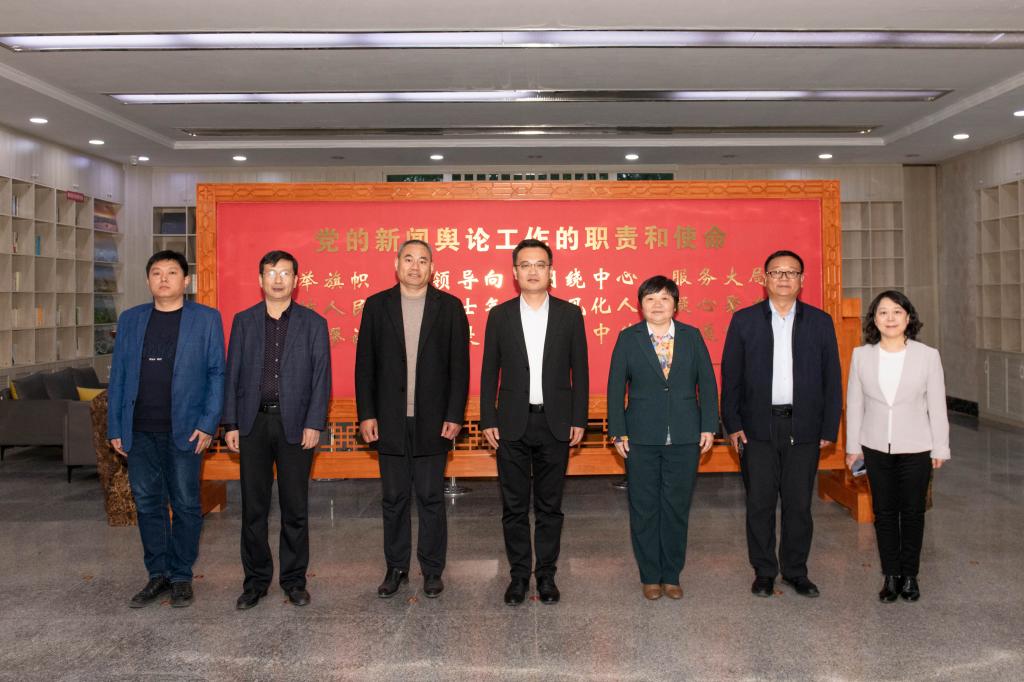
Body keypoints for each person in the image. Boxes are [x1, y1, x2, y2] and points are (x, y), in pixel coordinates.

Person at [721, 249, 842, 598]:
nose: (784, 278)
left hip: (804, 427)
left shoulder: (820, 322)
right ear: (765, 279)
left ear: (802, 280)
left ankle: (795, 571)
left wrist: (828, 428)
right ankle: (764, 571)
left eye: (791, 272)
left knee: (798, 504)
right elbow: (731, 377)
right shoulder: (744, 321)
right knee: (759, 503)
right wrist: (733, 424)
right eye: (777, 272)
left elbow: (832, 379)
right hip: (756, 428)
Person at [108, 250, 225, 608]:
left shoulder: (206, 319)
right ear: (148, 280)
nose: (163, 279)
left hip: (186, 430)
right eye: (156, 272)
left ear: (185, 281)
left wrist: (208, 423)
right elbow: (119, 376)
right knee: (147, 504)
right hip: (139, 429)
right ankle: (157, 573)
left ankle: (181, 575)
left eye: (172, 273)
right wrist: (116, 426)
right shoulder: (131, 319)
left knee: (187, 504)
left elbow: (217, 373)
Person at [356, 239, 469, 599]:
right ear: (397, 264)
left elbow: (459, 367)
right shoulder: (377, 306)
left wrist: (454, 414)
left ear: (432, 268)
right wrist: (366, 414)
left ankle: (432, 570)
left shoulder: (449, 307)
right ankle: (396, 568)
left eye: (422, 261)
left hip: (433, 421)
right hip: (389, 419)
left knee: (431, 497)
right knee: (393, 498)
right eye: (408, 259)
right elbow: (365, 366)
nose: (415, 267)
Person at [480, 238, 589, 605]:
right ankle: (517, 576)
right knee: (513, 506)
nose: (532, 271)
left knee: (549, 506)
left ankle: (546, 575)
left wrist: (579, 418)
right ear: (514, 272)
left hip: (555, 422)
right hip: (511, 422)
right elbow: (489, 371)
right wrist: (487, 416)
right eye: (525, 265)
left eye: (540, 265)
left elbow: (580, 371)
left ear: (550, 272)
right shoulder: (500, 315)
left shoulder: (569, 314)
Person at [222, 250, 331, 610]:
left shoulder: (313, 323)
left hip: (296, 425)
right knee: (253, 508)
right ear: (260, 280)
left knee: (294, 508)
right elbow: (233, 373)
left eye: (285, 273)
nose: (278, 279)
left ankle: (294, 581)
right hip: (253, 423)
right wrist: (231, 423)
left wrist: (315, 422)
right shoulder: (244, 321)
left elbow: (321, 378)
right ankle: (255, 582)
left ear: (296, 281)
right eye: (271, 273)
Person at [607, 275, 719, 601]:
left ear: (676, 305)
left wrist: (708, 426)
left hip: (685, 436)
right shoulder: (628, 338)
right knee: (644, 508)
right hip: (640, 436)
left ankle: (671, 575)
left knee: (676, 508)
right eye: (650, 299)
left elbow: (707, 384)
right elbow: (616, 387)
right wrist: (618, 431)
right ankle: (650, 576)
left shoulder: (692, 336)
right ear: (640, 305)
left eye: (665, 298)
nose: (658, 305)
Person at [845, 290, 949, 603]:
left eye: (897, 312)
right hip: (874, 445)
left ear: (908, 317)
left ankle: (910, 576)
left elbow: (937, 405)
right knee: (884, 512)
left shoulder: (927, 356)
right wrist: (853, 447)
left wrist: (940, 447)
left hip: (916, 446)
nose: (890, 318)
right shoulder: (861, 356)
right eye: (883, 312)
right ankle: (891, 575)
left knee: (913, 512)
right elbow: (855, 404)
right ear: (874, 320)